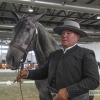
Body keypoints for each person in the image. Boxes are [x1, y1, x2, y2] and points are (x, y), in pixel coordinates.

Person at [14, 20, 99, 100]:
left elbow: (93, 80)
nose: (64, 35)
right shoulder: (54, 54)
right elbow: (44, 72)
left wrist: (68, 91)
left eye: (68, 33)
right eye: (63, 33)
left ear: (77, 36)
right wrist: (28, 73)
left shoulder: (86, 53)